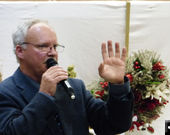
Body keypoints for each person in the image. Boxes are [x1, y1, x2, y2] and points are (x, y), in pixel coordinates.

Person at [0, 19, 133, 135]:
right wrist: (44, 95)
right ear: (20, 51)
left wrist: (118, 86)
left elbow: (113, 125)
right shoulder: (6, 92)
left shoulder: (74, 87)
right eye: (43, 46)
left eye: (55, 47)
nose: (52, 53)